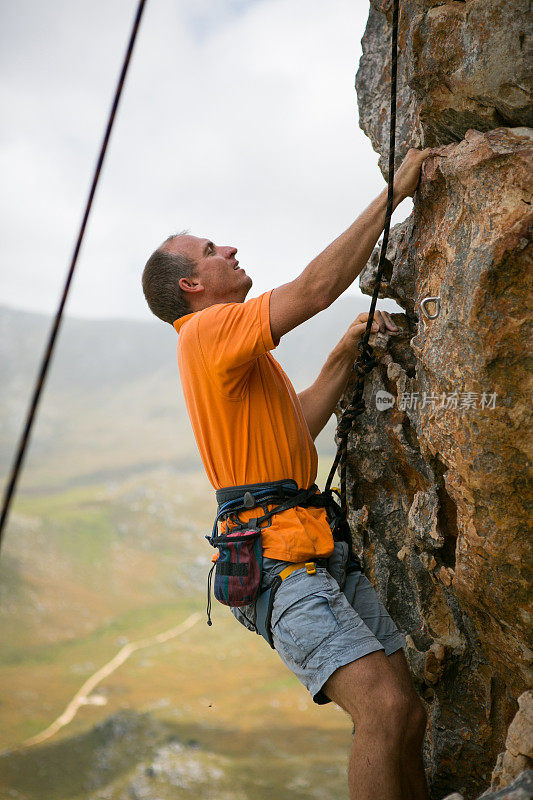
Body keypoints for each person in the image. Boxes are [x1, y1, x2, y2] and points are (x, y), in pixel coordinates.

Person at [142, 146, 431, 800]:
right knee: (382, 713)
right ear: (191, 284)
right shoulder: (206, 331)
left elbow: (292, 429)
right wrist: (396, 192)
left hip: (301, 545)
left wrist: (339, 357)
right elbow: (314, 290)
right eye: (213, 249)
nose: (232, 250)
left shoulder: (227, 348)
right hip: (276, 557)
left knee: (406, 714)